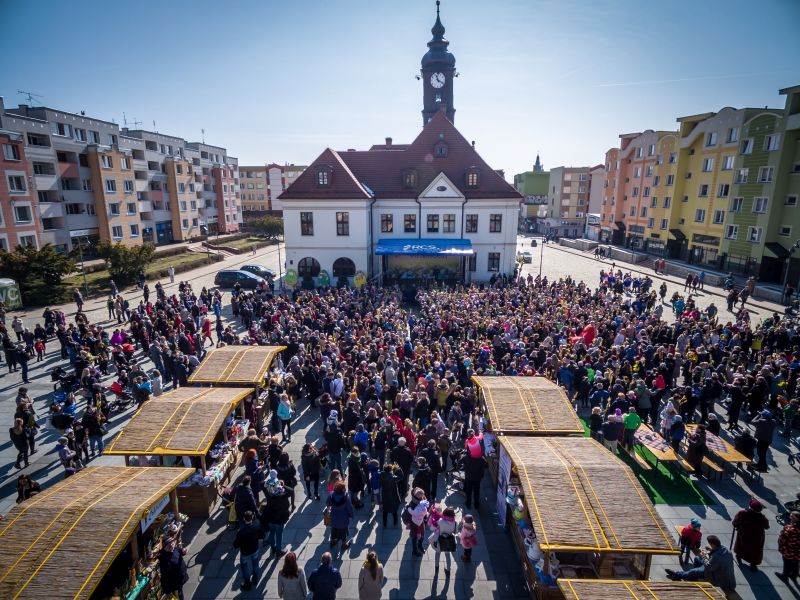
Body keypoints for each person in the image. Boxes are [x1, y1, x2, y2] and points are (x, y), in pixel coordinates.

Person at [665, 535, 736, 593]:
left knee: (694, 571)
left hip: (721, 581)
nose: (709, 545)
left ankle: (677, 574)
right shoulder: (726, 550)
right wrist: (710, 550)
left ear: (713, 544)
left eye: (710, 544)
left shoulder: (717, 557)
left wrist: (704, 555)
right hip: (717, 571)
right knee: (696, 559)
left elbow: (709, 567)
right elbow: (716, 558)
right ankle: (692, 576)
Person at [732, 499, 769, 571]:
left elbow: (735, 522)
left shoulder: (743, 513)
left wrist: (737, 525)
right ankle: (753, 564)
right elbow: (767, 526)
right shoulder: (762, 517)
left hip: (743, 534)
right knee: (755, 550)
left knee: (741, 546)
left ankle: (739, 557)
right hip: (757, 537)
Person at [232, 510, 265, 590]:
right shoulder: (256, 526)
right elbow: (262, 535)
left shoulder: (241, 532)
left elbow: (235, 545)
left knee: (244, 566)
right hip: (255, 549)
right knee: (255, 564)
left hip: (245, 552)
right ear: (252, 517)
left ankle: (247, 583)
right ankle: (255, 578)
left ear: (244, 519)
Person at [326, 481, 354, 554]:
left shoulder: (331, 494)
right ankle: (344, 545)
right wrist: (351, 515)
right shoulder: (346, 497)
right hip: (343, 518)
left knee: (334, 529)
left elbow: (328, 503)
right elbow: (349, 508)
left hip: (334, 517)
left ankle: (333, 541)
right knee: (343, 531)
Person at [429, 506, 457, 575]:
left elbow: (432, 528)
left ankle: (436, 567)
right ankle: (448, 570)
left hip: (439, 540)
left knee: (437, 553)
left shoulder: (441, 521)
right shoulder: (455, 523)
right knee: (447, 555)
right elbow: (455, 532)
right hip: (449, 541)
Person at [777, 511, 800, 583]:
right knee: (796, 562)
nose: (790, 516)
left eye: (791, 516)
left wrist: (781, 547)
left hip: (789, 550)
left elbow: (782, 539)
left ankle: (785, 576)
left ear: (793, 518)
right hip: (798, 551)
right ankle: (794, 575)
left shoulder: (789, 528)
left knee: (787, 562)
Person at [407, 487, 430, 557]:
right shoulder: (413, 503)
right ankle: (414, 550)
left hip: (421, 521)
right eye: (422, 496)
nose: (424, 497)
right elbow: (409, 512)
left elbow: (426, 505)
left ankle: (420, 546)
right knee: (414, 537)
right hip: (414, 523)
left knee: (422, 535)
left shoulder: (422, 499)